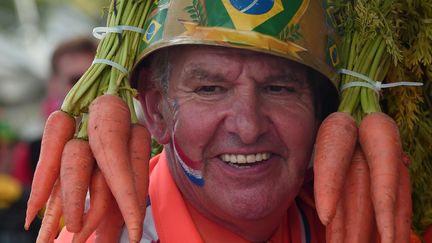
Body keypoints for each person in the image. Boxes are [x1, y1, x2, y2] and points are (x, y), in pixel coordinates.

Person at [54, 0, 408, 242]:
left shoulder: (377, 230)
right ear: (158, 111)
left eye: (279, 88)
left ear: (320, 115)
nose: (248, 127)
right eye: (210, 89)